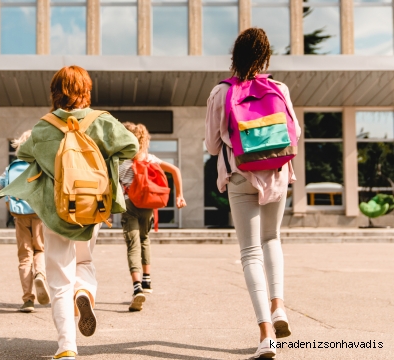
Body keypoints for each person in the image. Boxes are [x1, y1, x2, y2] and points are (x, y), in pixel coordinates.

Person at [0, 65, 139, 360]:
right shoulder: (102, 121)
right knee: (84, 259)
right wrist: (112, 169)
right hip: (92, 206)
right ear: (86, 90)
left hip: (56, 210)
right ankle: (84, 292)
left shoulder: (44, 127)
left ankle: (66, 346)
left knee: (59, 278)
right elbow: (131, 146)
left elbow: (23, 154)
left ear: (55, 92)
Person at [205, 28, 300, 359]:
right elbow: (295, 133)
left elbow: (211, 144)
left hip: (240, 174)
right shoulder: (279, 87)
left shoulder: (221, 92)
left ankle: (265, 336)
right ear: (265, 57)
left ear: (235, 56)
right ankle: (279, 307)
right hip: (275, 172)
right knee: (272, 240)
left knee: (250, 253)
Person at [119, 122, 187, 312]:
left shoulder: (122, 161)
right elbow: (176, 171)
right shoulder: (150, 158)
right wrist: (179, 196)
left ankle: (137, 286)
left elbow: (112, 185)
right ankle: (147, 280)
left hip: (129, 205)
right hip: (148, 205)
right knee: (144, 239)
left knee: (133, 245)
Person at [0, 130, 50, 313]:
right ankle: (40, 274)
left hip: (19, 216)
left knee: (24, 256)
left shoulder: (12, 167)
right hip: (39, 214)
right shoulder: (42, 165)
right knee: (40, 250)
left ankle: (28, 299)